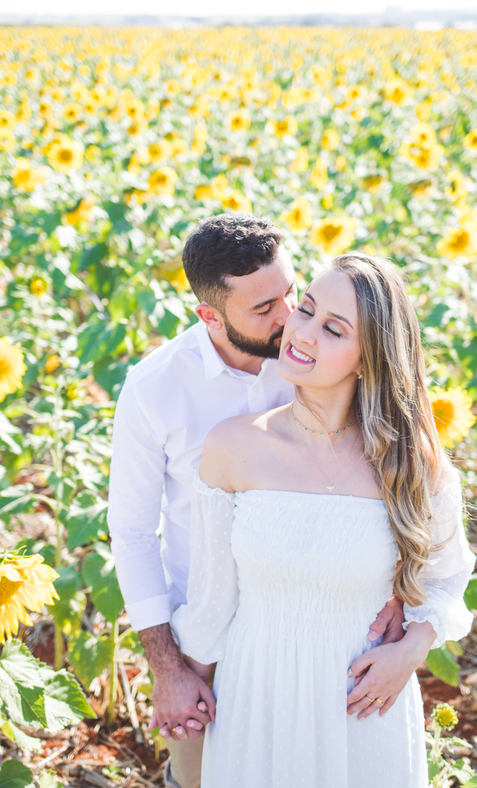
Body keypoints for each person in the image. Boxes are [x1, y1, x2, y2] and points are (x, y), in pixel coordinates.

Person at [107, 216, 410, 788]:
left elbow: (387, 482)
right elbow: (131, 533)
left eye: (291, 292)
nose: (289, 317)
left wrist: (398, 587)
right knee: (197, 778)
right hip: (198, 629)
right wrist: (167, 668)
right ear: (209, 316)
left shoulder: (316, 360)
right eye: (264, 307)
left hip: (309, 623)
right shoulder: (155, 388)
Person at [170, 252, 476, 787]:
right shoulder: (234, 446)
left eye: (333, 329)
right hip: (255, 696)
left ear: (368, 358)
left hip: (363, 701)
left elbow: (448, 574)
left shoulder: (409, 461)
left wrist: (411, 648)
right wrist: (178, 686)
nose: (301, 332)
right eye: (305, 309)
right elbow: (212, 599)